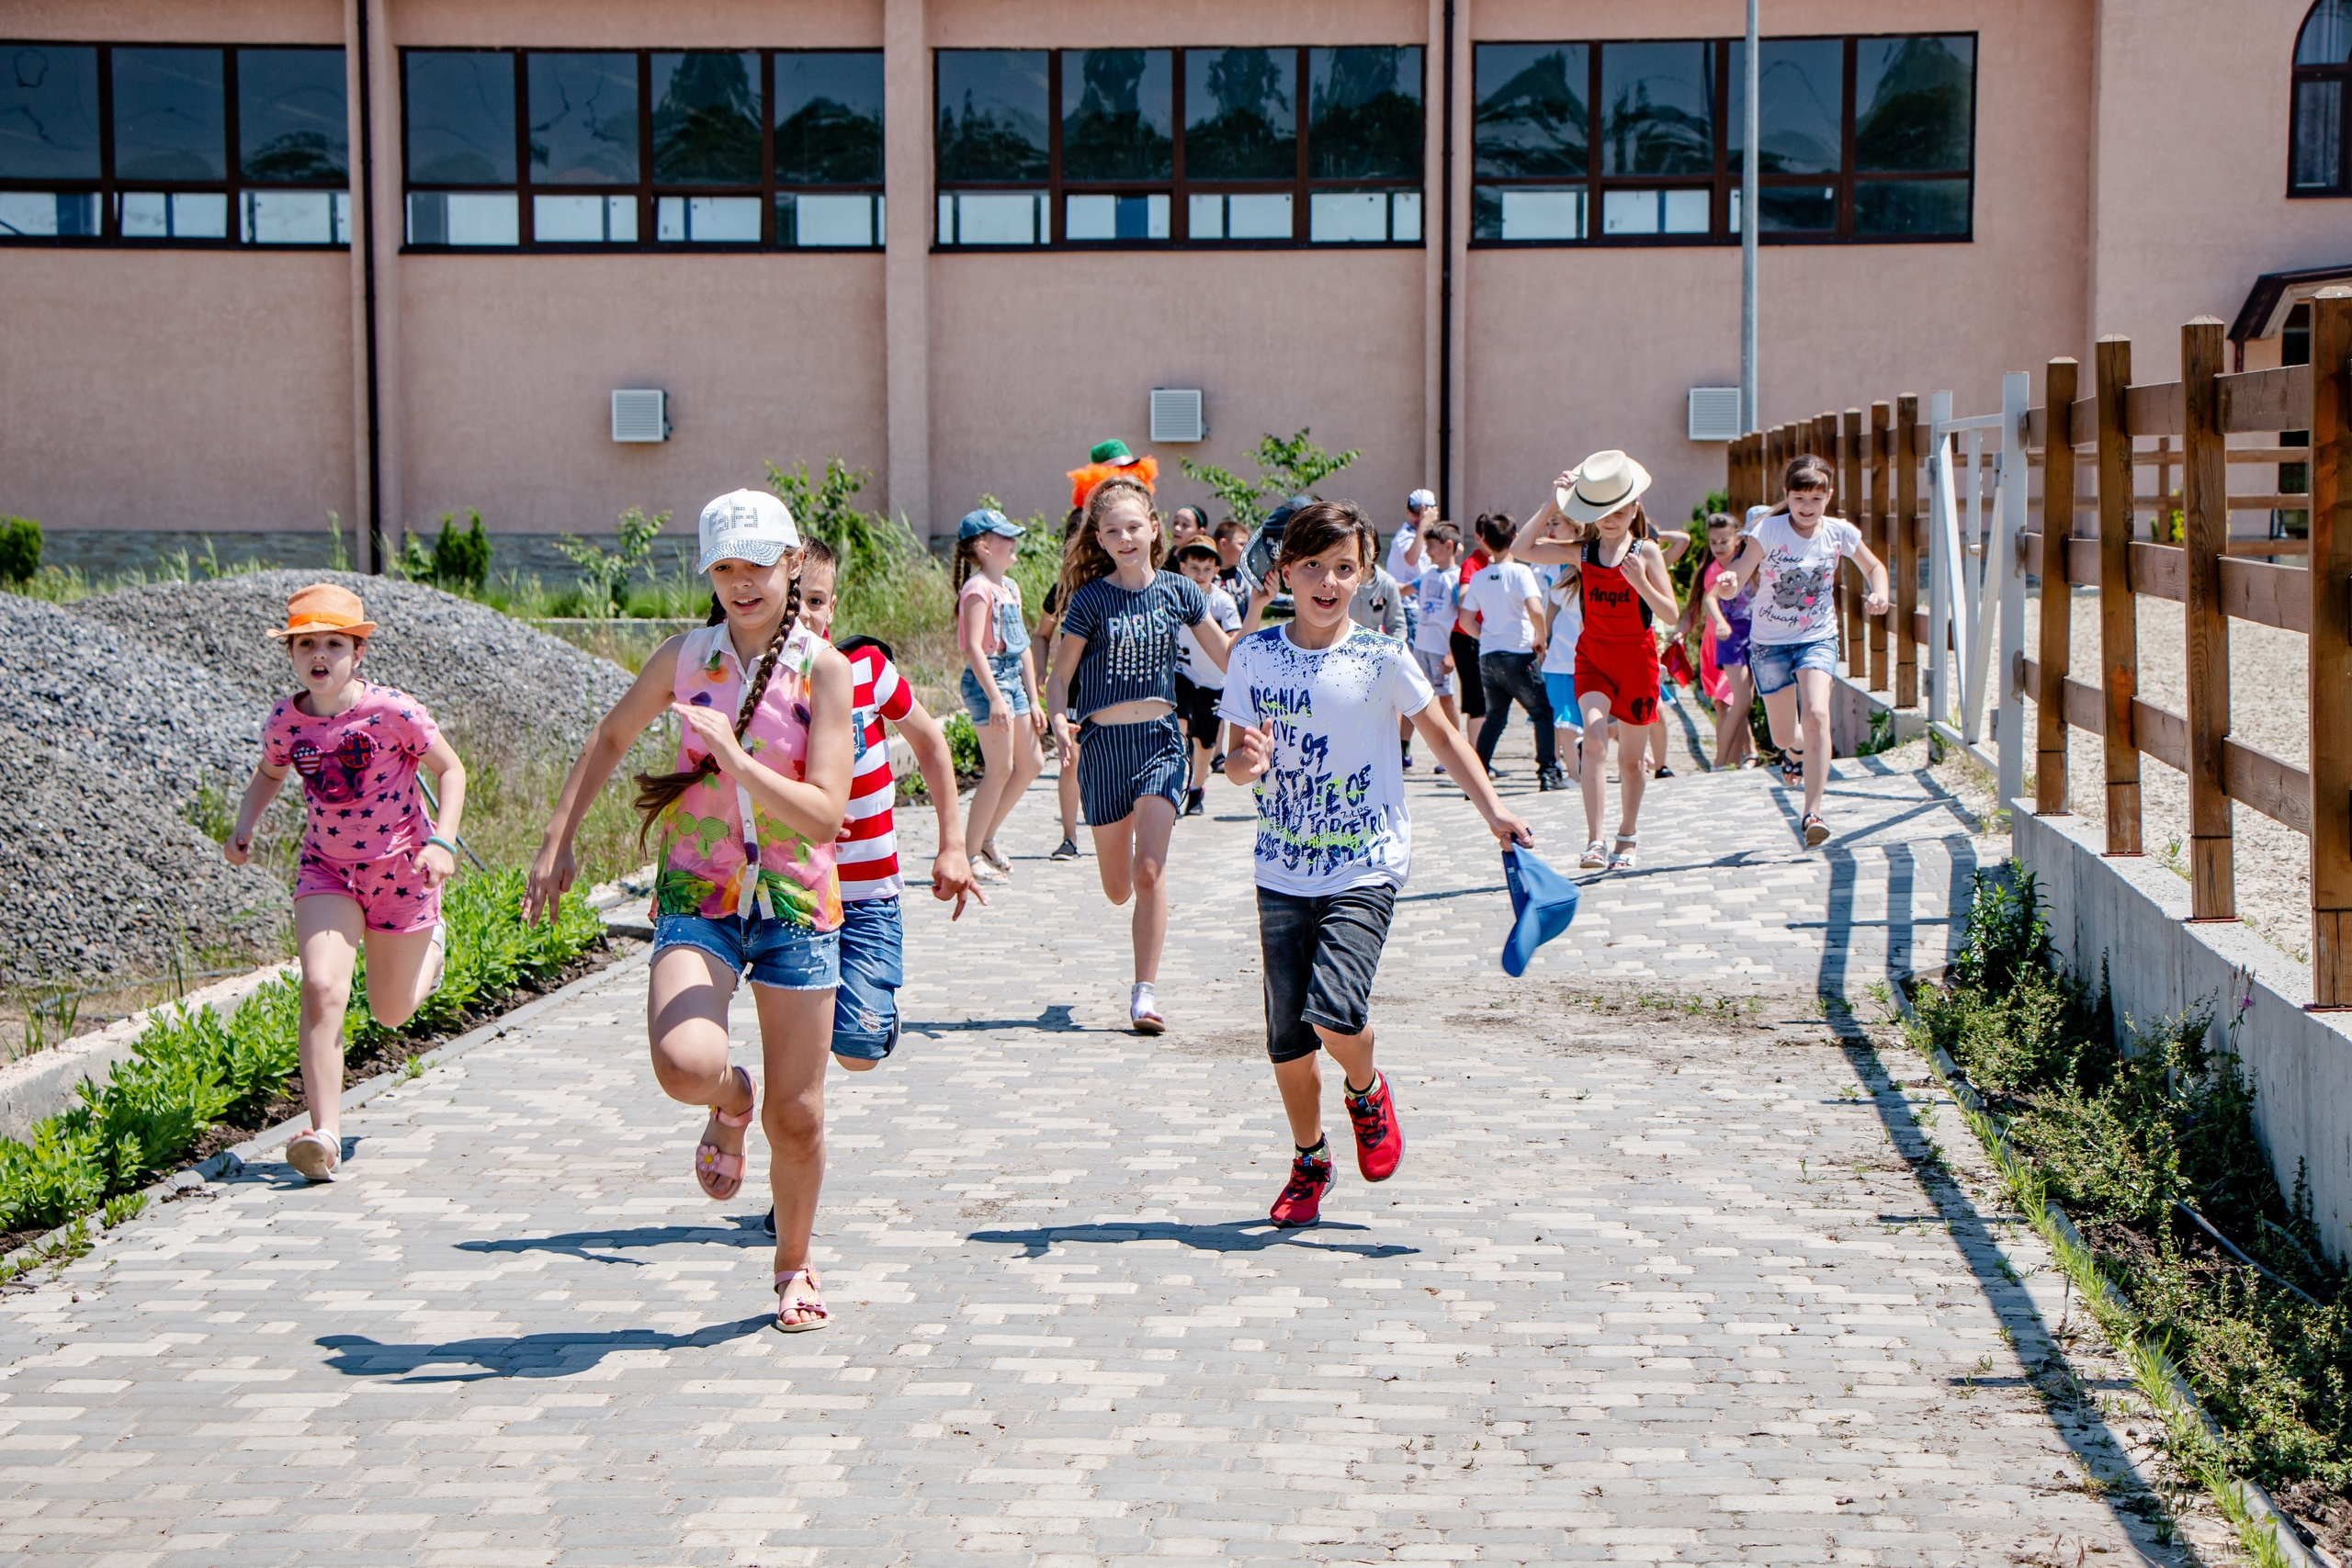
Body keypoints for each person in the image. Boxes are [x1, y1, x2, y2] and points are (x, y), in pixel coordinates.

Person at [526, 489, 852, 1334]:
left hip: (793, 901)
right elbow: (609, 737)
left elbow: (823, 814)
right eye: (725, 568)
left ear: (792, 564)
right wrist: (557, 841)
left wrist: (738, 761)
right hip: (699, 894)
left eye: (757, 566)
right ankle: (731, 1097)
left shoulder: (824, 669)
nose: (741, 584)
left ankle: (793, 1264)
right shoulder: (684, 656)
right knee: (681, 1062)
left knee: (802, 1113)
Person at [1220, 501, 1533, 1228]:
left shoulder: (1382, 657)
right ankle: (1310, 1160)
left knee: (1333, 1008)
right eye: (1312, 567)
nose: (1327, 582)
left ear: (1364, 576)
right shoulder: (1254, 656)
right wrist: (1244, 760)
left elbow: (1445, 737)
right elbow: (1233, 762)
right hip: (1281, 866)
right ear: (1285, 572)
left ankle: (1366, 1089)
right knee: (1289, 1043)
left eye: (1343, 568)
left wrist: (1493, 812)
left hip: (1366, 862)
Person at [224, 583, 462, 1184]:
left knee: (389, 1011)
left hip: (404, 872)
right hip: (327, 870)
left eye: (335, 642)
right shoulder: (285, 720)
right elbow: (269, 772)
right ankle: (324, 1135)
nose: (319, 655)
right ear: (293, 654)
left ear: (358, 652)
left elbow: (451, 769)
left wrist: (444, 839)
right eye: (306, 644)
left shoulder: (392, 711)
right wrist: (245, 823)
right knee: (322, 985)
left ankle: (434, 946)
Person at [1045, 473, 1233, 1034]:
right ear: (1099, 540)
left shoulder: (1180, 591)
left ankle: (1144, 995)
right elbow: (1060, 677)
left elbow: (1229, 658)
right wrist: (1059, 716)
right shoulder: (1090, 599)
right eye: (1112, 530)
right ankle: (1123, 871)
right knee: (1117, 886)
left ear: (1154, 529)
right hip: (1102, 749)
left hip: (1158, 742)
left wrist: (1270, 635)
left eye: (1134, 526)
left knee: (1149, 872)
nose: (1125, 537)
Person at [795, 540, 986, 1073]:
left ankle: (870, 1016)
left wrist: (952, 846)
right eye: (795, 600)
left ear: (833, 606)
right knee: (801, 1046)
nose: (805, 615)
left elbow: (929, 743)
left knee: (858, 1049)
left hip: (867, 890)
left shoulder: (865, 667)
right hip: (795, 891)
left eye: (816, 600)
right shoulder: (761, 685)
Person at [1713, 454, 1892, 844]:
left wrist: (1880, 593)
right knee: (1781, 736)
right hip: (1770, 643)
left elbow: (1875, 567)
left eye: (1816, 498)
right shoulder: (1769, 530)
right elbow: (1740, 574)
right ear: (1787, 496)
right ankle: (1793, 751)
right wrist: (1728, 583)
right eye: (1799, 499)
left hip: (1818, 636)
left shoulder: (1839, 532)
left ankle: (1813, 813)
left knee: (1815, 714)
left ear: (1828, 497)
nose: (1807, 508)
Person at [1516, 453, 1682, 870]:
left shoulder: (1646, 553)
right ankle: (1594, 840)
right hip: (1593, 658)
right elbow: (1522, 549)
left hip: (1636, 661)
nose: (1612, 518)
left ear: (1634, 508)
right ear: (1590, 513)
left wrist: (1640, 582)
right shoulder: (1583, 552)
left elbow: (1671, 614)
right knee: (1592, 738)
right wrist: (1553, 503)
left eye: (1620, 510)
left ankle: (1627, 834)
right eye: (1603, 511)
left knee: (1630, 761)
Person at [953, 508, 1046, 880]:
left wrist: (1033, 698)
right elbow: (975, 648)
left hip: (1012, 680)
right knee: (1000, 768)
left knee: (1033, 762)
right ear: (984, 547)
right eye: (1005, 537)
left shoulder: (1011, 588)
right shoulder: (976, 589)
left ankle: (987, 837)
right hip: (988, 680)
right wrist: (995, 697)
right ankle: (969, 853)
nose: (1014, 543)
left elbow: (1022, 645)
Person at [1457, 513, 1562, 790]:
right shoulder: (1521, 573)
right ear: (1514, 538)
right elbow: (1536, 609)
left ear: (1485, 541)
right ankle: (1548, 772)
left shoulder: (1479, 577)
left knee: (1495, 718)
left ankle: (1477, 781)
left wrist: (1487, 637)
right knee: (1542, 711)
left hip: (1489, 656)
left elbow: (1466, 621)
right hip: (1518, 653)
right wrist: (1540, 637)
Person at [1678, 513, 1754, 770]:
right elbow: (1694, 607)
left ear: (1738, 540)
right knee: (1729, 701)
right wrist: (1680, 631)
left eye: (1724, 541)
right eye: (1713, 542)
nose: (1719, 547)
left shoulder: (1746, 566)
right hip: (1713, 646)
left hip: (1736, 642)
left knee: (1727, 700)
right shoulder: (1708, 571)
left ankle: (1728, 761)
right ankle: (1745, 754)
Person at [1171, 538, 1241, 816]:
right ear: (1182, 569)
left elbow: (1235, 639)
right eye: (1193, 568)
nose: (1199, 575)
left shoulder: (1223, 602)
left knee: (1204, 743)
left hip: (1214, 682)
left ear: (1216, 571)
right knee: (1178, 728)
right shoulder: (1173, 595)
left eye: (1206, 569)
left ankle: (1197, 789)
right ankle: (1173, 786)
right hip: (1182, 673)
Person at [1038, 507, 1088, 862]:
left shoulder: (1116, 585)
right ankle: (1069, 837)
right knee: (1069, 763)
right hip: (1071, 690)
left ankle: (1123, 833)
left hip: (1110, 692)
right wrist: (1042, 673)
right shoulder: (1062, 591)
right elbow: (1041, 635)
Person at [1408, 521, 1465, 774]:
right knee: (1413, 697)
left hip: (1442, 649)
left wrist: (1452, 653)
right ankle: (1403, 749)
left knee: (1446, 699)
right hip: (1421, 647)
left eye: (1432, 546)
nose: (1428, 551)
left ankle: (1454, 750)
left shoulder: (1458, 579)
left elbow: (1463, 617)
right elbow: (1401, 590)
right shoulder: (1428, 575)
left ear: (1448, 546)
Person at [1534, 516, 1588, 785]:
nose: (1550, 529)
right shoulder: (1556, 565)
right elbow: (1552, 606)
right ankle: (1565, 773)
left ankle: (1579, 774)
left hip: (1583, 651)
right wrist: (1541, 638)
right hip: (1559, 652)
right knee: (1557, 716)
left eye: (1557, 523)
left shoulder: (1586, 559)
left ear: (1575, 527)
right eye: (1549, 523)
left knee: (1577, 719)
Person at [1448, 526, 1491, 734]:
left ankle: (1481, 757)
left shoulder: (1500, 565)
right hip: (1467, 637)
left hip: (1484, 637)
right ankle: (1478, 759)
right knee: (1478, 702)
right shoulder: (1472, 564)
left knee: (1487, 702)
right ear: (1478, 538)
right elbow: (1463, 599)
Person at [1387, 487, 1438, 649]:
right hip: (1407, 609)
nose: (1419, 517)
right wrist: (1424, 524)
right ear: (1407, 512)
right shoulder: (1405, 535)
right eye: (1416, 512)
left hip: (1423, 608)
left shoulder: (1426, 536)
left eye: (1424, 513)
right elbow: (1411, 559)